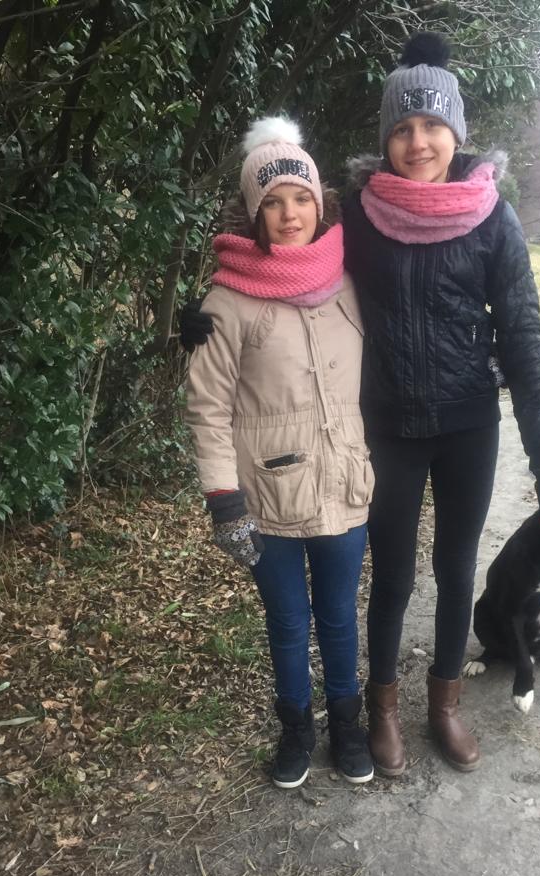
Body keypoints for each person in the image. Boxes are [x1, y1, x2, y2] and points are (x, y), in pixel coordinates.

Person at [182, 33, 540, 778]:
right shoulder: (360, 217)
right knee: (392, 575)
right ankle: (382, 710)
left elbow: (523, 333)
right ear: (386, 138)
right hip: (387, 427)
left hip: (468, 425)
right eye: (403, 128)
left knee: (456, 569)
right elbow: (285, 260)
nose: (418, 141)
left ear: (455, 131)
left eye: (432, 125)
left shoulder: (494, 217)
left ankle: (444, 705)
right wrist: (203, 311)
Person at [184, 117, 375, 790]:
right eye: (272, 202)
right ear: (253, 212)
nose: (290, 214)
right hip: (267, 500)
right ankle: (296, 729)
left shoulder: (353, 278)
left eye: (301, 197)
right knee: (289, 622)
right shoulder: (226, 300)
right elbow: (207, 408)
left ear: (320, 202)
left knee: (340, 617)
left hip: (345, 484)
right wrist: (223, 502)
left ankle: (348, 725)